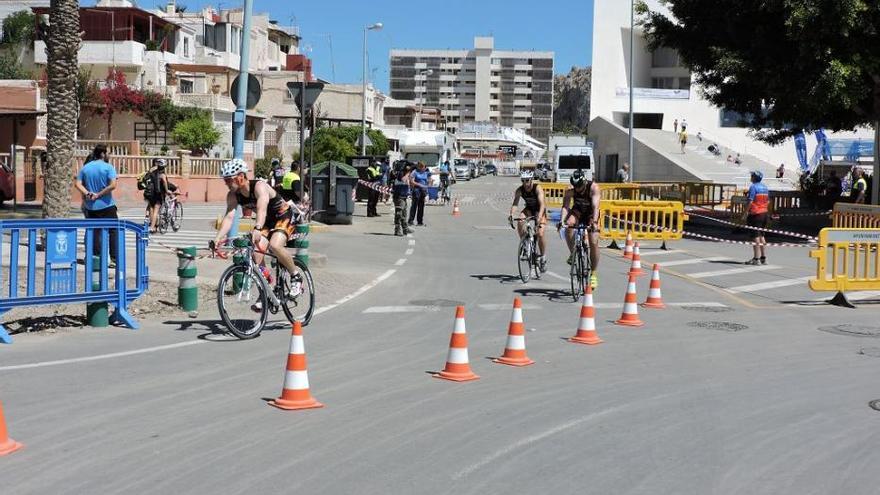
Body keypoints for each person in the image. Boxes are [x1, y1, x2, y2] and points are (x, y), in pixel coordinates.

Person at [213, 158, 298, 279]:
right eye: (225, 180)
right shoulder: (233, 195)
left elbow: (262, 209)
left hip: (283, 215)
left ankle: (296, 276)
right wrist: (218, 238)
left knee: (275, 245)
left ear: (241, 176)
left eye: (228, 180)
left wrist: (257, 227)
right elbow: (229, 217)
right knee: (255, 255)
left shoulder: (259, 186)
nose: (226, 183)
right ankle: (266, 287)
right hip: (267, 221)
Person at [558, 169, 601, 289]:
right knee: (569, 224)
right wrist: (561, 221)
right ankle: (573, 252)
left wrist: (595, 222)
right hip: (578, 211)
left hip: (591, 213)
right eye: (575, 186)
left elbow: (595, 207)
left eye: (579, 186)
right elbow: (565, 207)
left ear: (584, 182)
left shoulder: (593, 188)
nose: (577, 189)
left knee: (593, 241)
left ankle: (593, 274)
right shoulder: (570, 190)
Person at [75, 144, 118, 264]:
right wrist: (99, 194)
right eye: (108, 152)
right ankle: (114, 258)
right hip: (107, 205)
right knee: (113, 230)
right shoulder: (108, 167)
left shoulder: (85, 168)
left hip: (91, 206)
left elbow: (77, 184)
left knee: (94, 230)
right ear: (103, 154)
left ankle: (96, 257)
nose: (109, 155)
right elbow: (113, 185)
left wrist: (88, 194)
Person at [509, 170, 548, 271]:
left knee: (540, 233)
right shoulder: (520, 190)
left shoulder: (537, 188)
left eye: (527, 180)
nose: (525, 183)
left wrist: (539, 216)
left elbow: (542, 204)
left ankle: (543, 256)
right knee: (520, 220)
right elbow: (515, 204)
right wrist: (511, 215)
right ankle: (525, 244)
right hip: (530, 209)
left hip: (539, 210)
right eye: (523, 181)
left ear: (531, 180)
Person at [743, 170, 770, 265]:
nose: (751, 176)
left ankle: (756, 258)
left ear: (754, 177)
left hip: (755, 214)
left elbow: (750, 201)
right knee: (762, 235)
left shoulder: (753, 187)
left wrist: (745, 213)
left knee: (755, 237)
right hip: (764, 213)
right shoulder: (765, 187)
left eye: (752, 175)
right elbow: (768, 201)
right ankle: (763, 258)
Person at [145, 158, 171, 234]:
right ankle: (152, 227)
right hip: (158, 194)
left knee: (151, 209)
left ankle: (153, 226)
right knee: (156, 210)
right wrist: (167, 190)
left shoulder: (152, 172)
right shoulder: (162, 174)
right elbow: (165, 182)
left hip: (151, 194)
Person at [392, 161, 415, 236]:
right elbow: (403, 180)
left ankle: (405, 228)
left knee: (404, 213)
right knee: (399, 213)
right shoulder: (400, 173)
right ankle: (397, 229)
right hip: (399, 196)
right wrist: (408, 173)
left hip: (404, 196)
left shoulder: (404, 172)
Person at [408, 161, 431, 226]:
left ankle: (420, 221)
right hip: (416, 190)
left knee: (421, 207)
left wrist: (428, 183)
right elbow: (411, 181)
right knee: (414, 206)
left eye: (424, 167)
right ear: (419, 167)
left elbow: (428, 179)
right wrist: (420, 185)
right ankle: (410, 220)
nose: (424, 169)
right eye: (423, 167)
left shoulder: (426, 172)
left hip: (423, 191)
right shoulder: (415, 172)